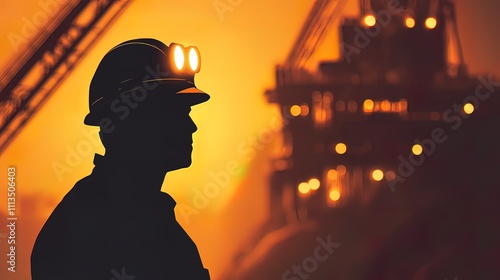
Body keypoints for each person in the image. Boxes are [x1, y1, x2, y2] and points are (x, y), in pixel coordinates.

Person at [31, 38, 211, 279]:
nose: (191, 126)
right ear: (126, 122)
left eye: (186, 112)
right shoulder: (85, 230)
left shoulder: (154, 222)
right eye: (174, 112)